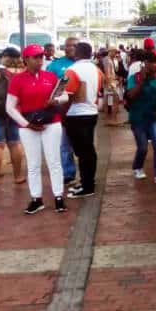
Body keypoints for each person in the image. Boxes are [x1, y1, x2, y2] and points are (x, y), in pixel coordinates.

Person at [6, 44, 66, 214]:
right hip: (29, 125)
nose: (40, 60)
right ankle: (36, 198)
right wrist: (26, 124)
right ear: (26, 59)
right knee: (33, 163)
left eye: (41, 57)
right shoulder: (18, 80)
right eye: (36, 57)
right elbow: (9, 107)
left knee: (54, 161)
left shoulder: (50, 76)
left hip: (51, 122)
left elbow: (65, 95)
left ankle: (59, 196)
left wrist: (56, 101)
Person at [63, 42, 102, 199]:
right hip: (91, 113)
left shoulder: (72, 70)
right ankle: (87, 181)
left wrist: (62, 112)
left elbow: (68, 94)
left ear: (77, 53)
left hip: (75, 115)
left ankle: (87, 186)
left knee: (82, 152)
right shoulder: (96, 70)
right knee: (88, 150)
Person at [0, 48, 26, 187]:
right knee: (15, 143)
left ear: (4, 57)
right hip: (16, 111)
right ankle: (18, 176)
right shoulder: (23, 72)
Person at [126, 52, 156, 185]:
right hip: (137, 117)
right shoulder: (135, 77)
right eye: (151, 63)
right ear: (145, 63)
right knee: (143, 147)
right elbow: (131, 95)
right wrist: (142, 81)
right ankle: (137, 166)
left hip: (153, 117)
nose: (154, 66)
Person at [48, 37, 79, 187]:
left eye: (73, 45)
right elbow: (49, 86)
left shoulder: (85, 64)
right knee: (64, 143)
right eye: (67, 46)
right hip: (63, 109)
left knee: (82, 144)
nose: (69, 48)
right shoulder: (56, 65)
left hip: (82, 110)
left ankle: (85, 173)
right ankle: (68, 172)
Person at [101, 47, 119, 125]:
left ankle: (108, 118)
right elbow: (107, 72)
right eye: (115, 52)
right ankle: (113, 119)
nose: (116, 54)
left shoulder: (107, 59)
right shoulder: (108, 60)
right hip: (110, 82)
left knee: (106, 98)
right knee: (115, 99)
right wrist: (110, 84)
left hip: (109, 82)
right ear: (111, 51)